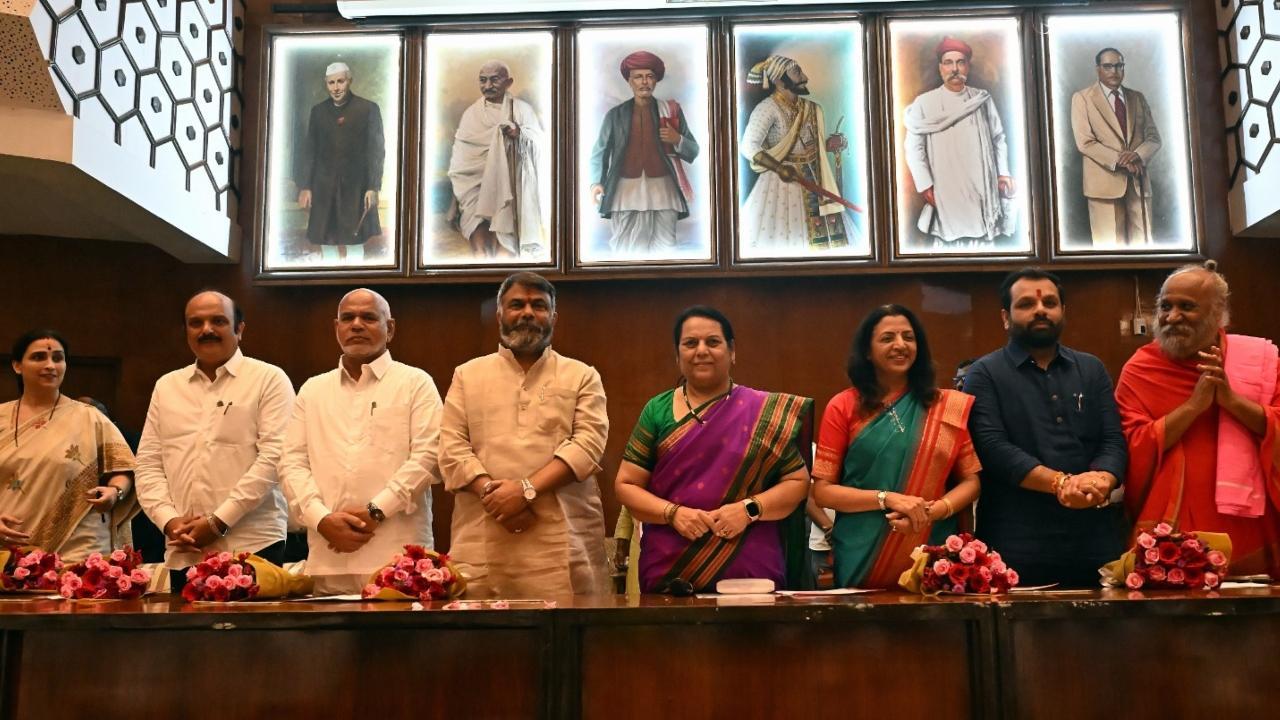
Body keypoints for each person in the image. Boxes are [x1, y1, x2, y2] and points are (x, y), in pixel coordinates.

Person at [615, 306, 810, 593]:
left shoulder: (763, 414)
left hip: (751, 571)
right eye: (691, 343)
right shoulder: (657, 411)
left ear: (732, 352)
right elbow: (626, 484)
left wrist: (749, 510)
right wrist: (673, 513)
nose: (702, 350)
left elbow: (797, 481)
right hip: (672, 571)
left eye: (713, 342)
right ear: (677, 354)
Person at [439, 273, 609, 597]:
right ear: (500, 314)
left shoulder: (582, 375)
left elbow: (588, 446)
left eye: (539, 306)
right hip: (484, 532)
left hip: (563, 540)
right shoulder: (467, 374)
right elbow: (451, 448)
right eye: (517, 304)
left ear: (553, 318)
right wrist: (496, 496)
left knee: (565, 638)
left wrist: (525, 490)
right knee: (483, 641)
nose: (528, 313)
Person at [964, 268, 1128, 586]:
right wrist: (1061, 483)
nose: (1041, 309)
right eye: (1026, 304)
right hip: (1017, 540)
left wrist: (1102, 481)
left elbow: (1112, 440)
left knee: (1106, 632)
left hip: (1094, 536)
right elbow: (992, 447)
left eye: (1050, 303)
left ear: (1062, 312)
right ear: (1006, 317)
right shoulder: (984, 373)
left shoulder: (1090, 369)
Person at [1116, 261, 1280, 578]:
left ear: (1218, 315)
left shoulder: (1258, 360)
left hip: (1252, 525)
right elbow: (1131, 444)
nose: (1172, 316)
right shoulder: (1140, 368)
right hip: (1174, 527)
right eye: (1165, 306)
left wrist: (1231, 401)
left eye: (1186, 307)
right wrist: (1193, 407)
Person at [280, 289, 442, 594]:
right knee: (332, 643)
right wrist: (321, 518)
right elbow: (291, 464)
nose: (356, 325)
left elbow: (428, 457)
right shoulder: (313, 390)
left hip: (400, 558)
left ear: (390, 328)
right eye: (347, 318)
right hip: (329, 555)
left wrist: (376, 511)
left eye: (368, 317)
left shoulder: (415, 383)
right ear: (336, 328)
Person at [812, 305, 981, 589]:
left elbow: (972, 481)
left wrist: (934, 511)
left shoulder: (945, 405)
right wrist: (886, 498)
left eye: (908, 337)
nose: (900, 345)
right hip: (861, 551)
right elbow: (823, 491)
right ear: (867, 350)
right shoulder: (843, 407)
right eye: (887, 338)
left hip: (932, 548)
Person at [135, 291, 294, 591]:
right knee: (190, 638)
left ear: (239, 329)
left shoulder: (269, 379)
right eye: (196, 323)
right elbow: (148, 464)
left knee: (251, 638)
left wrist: (219, 521)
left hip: (253, 543)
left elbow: (275, 458)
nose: (206, 329)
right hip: (185, 547)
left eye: (218, 321)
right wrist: (169, 522)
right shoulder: (167, 386)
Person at [1, 330, 137, 559]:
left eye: (58, 358)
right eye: (38, 357)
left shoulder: (89, 418)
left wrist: (114, 492)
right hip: (9, 545)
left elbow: (125, 470)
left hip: (78, 547)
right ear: (17, 365)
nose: (50, 365)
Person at [903, 37, 1016, 248]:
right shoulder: (925, 102)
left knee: (983, 242)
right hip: (946, 188)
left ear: (967, 66)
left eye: (960, 62)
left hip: (981, 187)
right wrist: (925, 183)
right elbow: (913, 148)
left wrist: (1003, 173)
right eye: (948, 62)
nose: (955, 68)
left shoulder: (982, 99)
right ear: (940, 67)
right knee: (948, 243)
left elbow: (998, 138)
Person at [739, 54, 857, 253]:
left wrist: (831, 144)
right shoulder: (767, 109)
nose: (804, 77)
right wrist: (779, 168)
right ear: (779, 80)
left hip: (816, 180)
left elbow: (811, 145)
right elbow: (748, 146)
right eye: (797, 73)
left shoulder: (810, 108)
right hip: (782, 181)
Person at [589, 50, 700, 254]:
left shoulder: (671, 110)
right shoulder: (615, 115)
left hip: (664, 189)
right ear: (629, 81)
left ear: (656, 80)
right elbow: (600, 151)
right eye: (638, 77)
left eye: (649, 76)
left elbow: (693, 151)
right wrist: (596, 182)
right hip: (625, 190)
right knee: (626, 246)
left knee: (666, 247)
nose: (644, 82)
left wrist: (677, 139)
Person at [448, 60, 546, 259]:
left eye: (494, 80)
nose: (487, 86)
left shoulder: (522, 110)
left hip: (509, 188)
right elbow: (459, 165)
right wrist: (453, 203)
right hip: (473, 191)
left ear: (509, 82)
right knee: (480, 248)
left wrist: (519, 133)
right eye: (483, 80)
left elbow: (540, 143)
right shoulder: (471, 114)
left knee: (506, 250)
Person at [295, 61, 386, 264]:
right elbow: (310, 152)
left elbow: (376, 152)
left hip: (356, 188)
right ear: (326, 84)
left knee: (355, 242)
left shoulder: (368, 109)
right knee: (327, 240)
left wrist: (373, 187)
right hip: (323, 188)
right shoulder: (318, 112)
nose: (336, 88)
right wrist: (306, 187)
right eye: (331, 83)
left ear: (349, 81)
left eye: (340, 82)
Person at [1070, 47, 1161, 246]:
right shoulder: (1082, 98)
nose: (1114, 71)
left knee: (1145, 248)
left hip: (1138, 185)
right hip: (1103, 187)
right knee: (1109, 251)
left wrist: (1137, 155)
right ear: (1098, 69)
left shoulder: (1137, 97)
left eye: (1119, 65)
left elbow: (1154, 138)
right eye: (1108, 66)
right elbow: (1085, 142)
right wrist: (1121, 160)